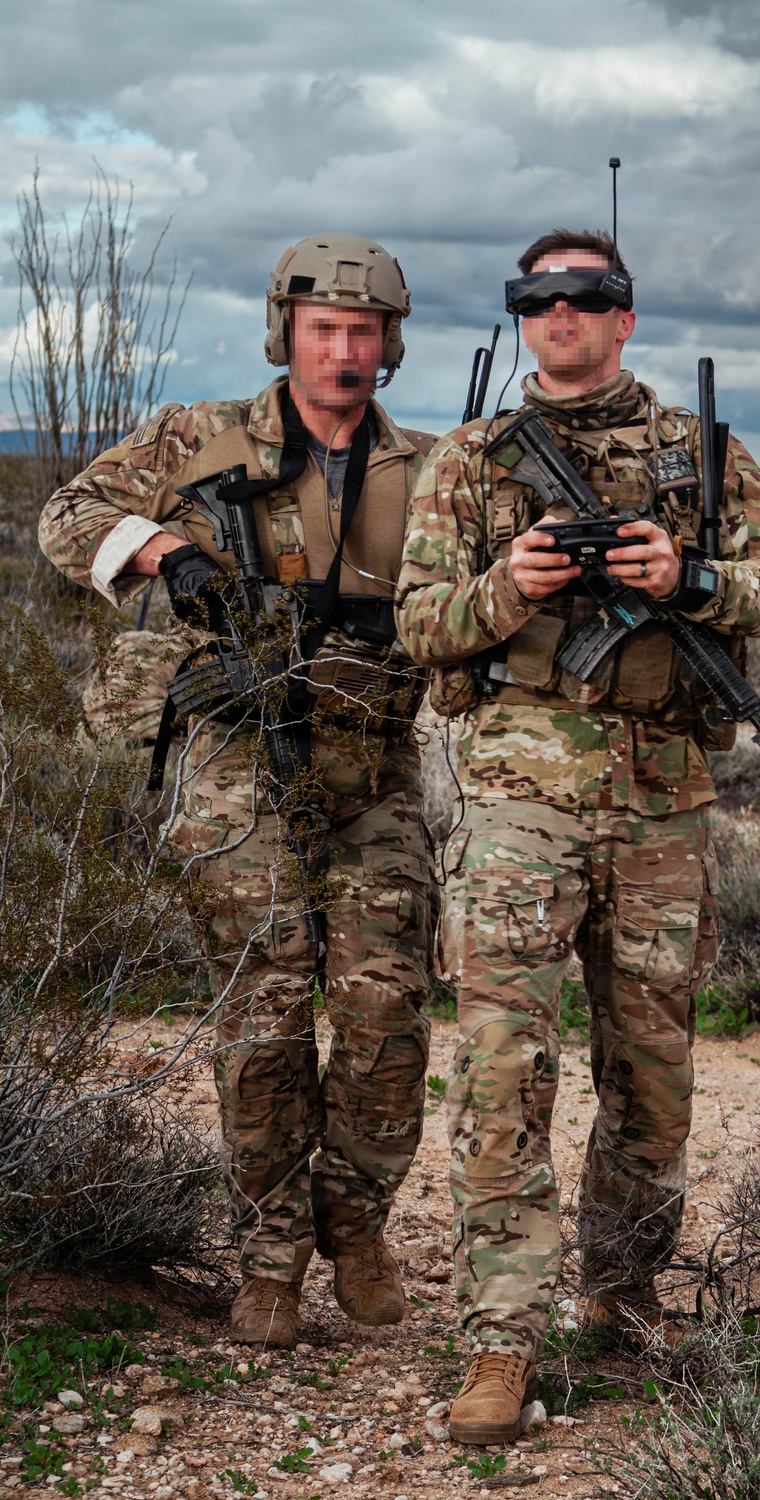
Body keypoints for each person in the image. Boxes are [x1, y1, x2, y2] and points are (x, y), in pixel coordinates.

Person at [395, 228, 760, 1443]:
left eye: (586, 296)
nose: (558, 313)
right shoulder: (470, 459)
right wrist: (510, 586)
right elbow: (420, 626)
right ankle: (500, 1340)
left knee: (654, 1074)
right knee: (500, 1071)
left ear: (625, 315)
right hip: (516, 798)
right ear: (520, 314)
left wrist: (689, 577)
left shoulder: (705, 454)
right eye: (537, 297)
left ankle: (618, 1298)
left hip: (663, 799)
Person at [39, 234, 438, 1349]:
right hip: (233, 749)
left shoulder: (438, 466)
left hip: (373, 761)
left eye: (364, 333)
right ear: (285, 333)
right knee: (261, 1010)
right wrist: (169, 553)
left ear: (389, 344)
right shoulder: (192, 435)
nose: (343, 353)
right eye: (324, 330)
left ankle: (354, 1227)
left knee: (384, 1011)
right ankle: (268, 1257)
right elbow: (67, 519)